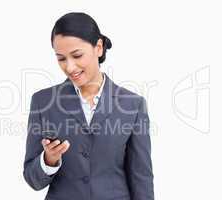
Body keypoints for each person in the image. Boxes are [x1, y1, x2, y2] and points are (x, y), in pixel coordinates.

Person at [23, 12, 154, 200]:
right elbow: (32, 179)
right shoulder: (43, 102)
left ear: (98, 48)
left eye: (77, 55)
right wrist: (48, 161)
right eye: (61, 58)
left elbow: (141, 178)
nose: (69, 67)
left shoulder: (133, 105)